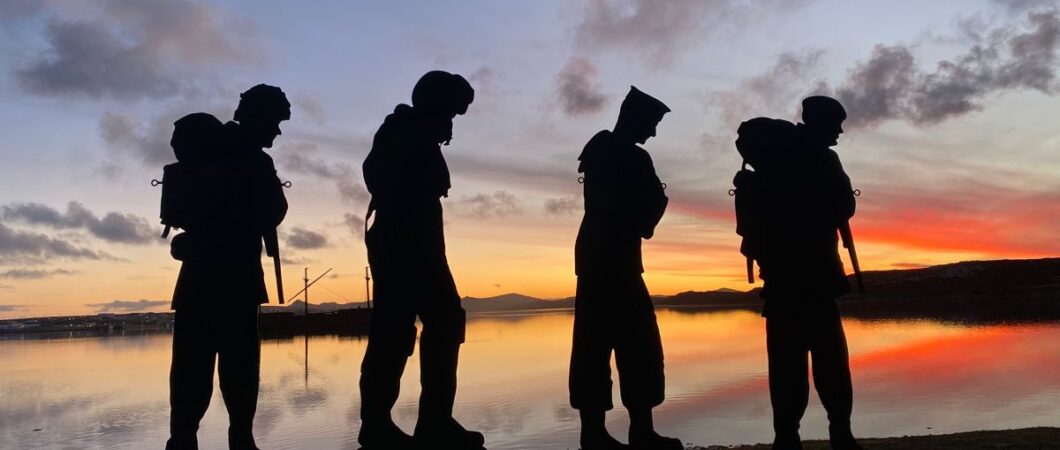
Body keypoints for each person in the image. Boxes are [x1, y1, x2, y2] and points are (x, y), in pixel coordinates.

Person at [358, 71, 484, 449]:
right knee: (395, 331)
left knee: (440, 322)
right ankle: (381, 425)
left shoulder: (418, 135)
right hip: (403, 245)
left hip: (419, 244)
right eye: (452, 112)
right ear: (435, 104)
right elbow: (380, 179)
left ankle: (432, 421)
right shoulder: (403, 132)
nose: (453, 122)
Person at [165, 84, 290, 450]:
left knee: (192, 369)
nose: (277, 131)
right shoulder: (253, 161)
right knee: (238, 370)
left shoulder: (212, 153)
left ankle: (184, 440)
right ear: (258, 117)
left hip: (200, 278)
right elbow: (273, 211)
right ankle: (238, 440)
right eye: (275, 121)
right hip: (235, 277)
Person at [569, 86, 682, 450]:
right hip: (616, 262)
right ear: (635, 119)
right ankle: (635, 433)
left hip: (597, 260)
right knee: (637, 345)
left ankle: (599, 433)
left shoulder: (599, 151)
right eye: (652, 124)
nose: (653, 133)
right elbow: (643, 221)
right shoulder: (632, 157)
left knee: (596, 346)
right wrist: (658, 201)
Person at [758, 96, 861, 450]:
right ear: (818, 121)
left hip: (779, 280)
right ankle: (841, 435)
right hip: (816, 280)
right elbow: (845, 206)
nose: (839, 131)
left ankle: (786, 438)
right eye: (835, 123)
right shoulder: (823, 158)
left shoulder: (773, 157)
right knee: (832, 362)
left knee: (785, 366)